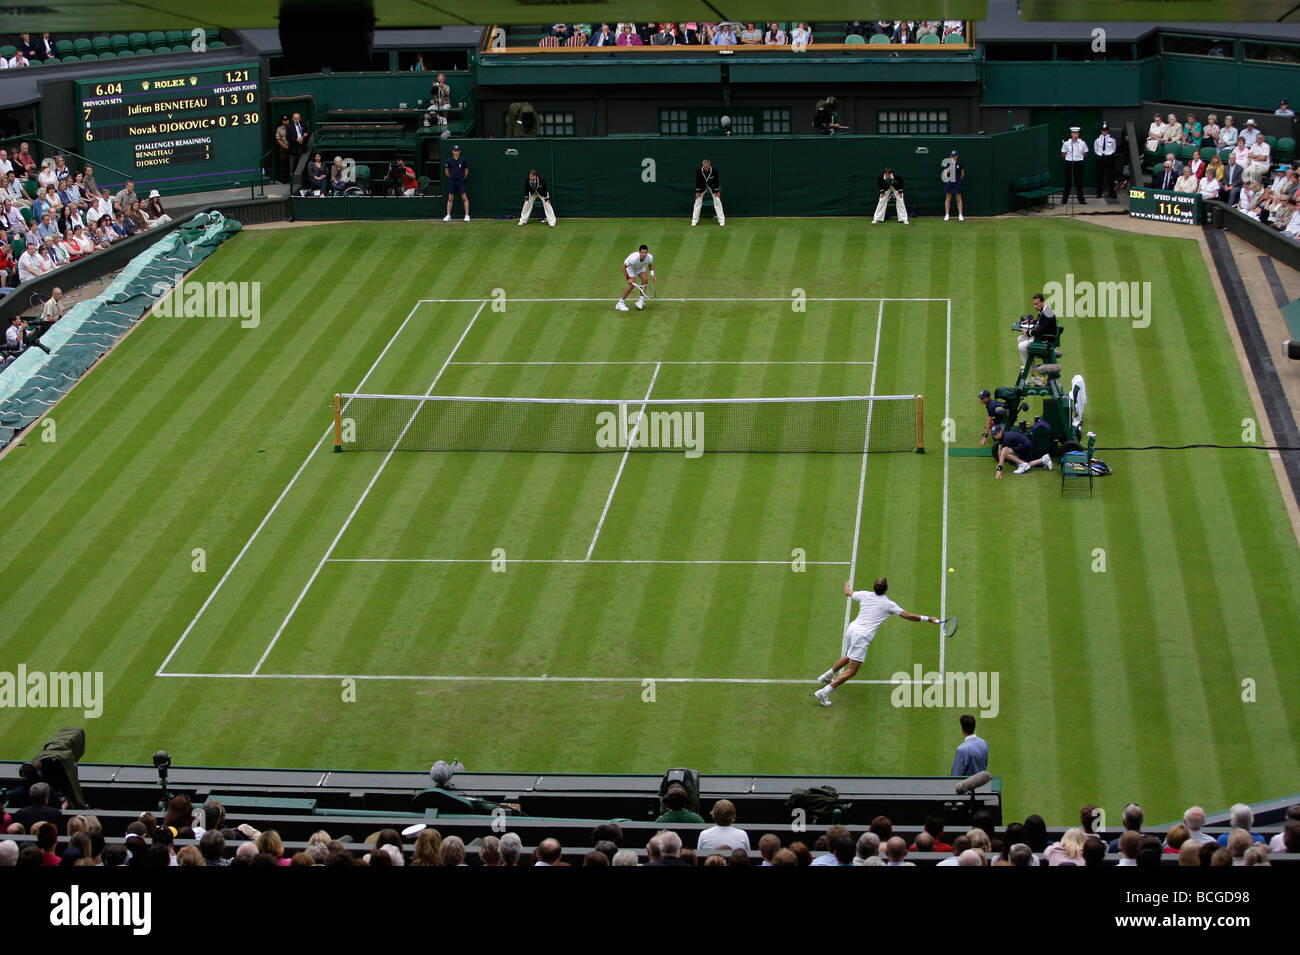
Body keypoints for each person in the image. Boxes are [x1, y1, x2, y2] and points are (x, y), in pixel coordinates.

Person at [813, 577, 942, 706]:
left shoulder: (864, 594)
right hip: (861, 636)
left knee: (848, 655)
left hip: (852, 630)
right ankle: (824, 692)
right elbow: (909, 616)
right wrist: (929, 618)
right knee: (852, 670)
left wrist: (846, 584)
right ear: (886, 590)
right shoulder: (888, 604)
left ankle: (827, 675)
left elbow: (847, 592)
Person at [1018, 293, 1057, 367]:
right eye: (1034, 304)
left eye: (1037, 304)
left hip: (1044, 341)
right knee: (1020, 338)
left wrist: (1027, 332)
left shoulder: (1046, 313)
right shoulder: (1044, 310)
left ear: (1043, 302)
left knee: (1021, 346)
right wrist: (1032, 321)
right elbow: (1040, 323)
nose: (1035, 306)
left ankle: (1032, 369)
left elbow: (1039, 331)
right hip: (1042, 337)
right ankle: (1028, 364)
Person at [615, 244, 654, 312]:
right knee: (632, 284)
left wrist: (652, 274)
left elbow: (650, 265)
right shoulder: (633, 258)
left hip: (640, 267)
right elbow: (623, 267)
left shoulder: (649, 257)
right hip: (630, 268)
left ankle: (640, 301)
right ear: (639, 252)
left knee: (645, 280)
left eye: (646, 252)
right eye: (642, 252)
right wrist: (628, 278)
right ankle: (620, 303)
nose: (644, 254)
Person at [691, 158, 724, 227]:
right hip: (701, 187)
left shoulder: (714, 170)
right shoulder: (698, 170)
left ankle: (721, 221)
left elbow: (716, 181)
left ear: (709, 165)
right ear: (702, 165)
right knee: (697, 203)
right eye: (704, 166)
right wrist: (698, 192)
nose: (705, 167)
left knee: (718, 202)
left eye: (707, 166)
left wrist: (717, 191)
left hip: (712, 187)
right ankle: (694, 221)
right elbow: (697, 181)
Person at [1061, 127, 1088, 204]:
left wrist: (1079, 156)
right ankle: (1064, 199)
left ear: (1078, 134)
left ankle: (1081, 199)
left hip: (1078, 163)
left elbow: (1085, 153)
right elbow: (1063, 154)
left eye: (1076, 133)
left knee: (1079, 182)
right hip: (1069, 163)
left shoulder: (1082, 143)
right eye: (1073, 133)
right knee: (1067, 183)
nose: (1075, 135)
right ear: (1071, 134)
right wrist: (1068, 156)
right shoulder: (1067, 143)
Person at [442, 144, 469, 222]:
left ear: (459, 152)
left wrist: (463, 178)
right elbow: (446, 170)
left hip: (461, 180)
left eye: (457, 151)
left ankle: (467, 215)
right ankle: (448, 215)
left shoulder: (463, 160)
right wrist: (450, 177)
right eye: (454, 151)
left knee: (464, 198)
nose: (456, 152)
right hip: (452, 181)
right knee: (450, 199)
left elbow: (466, 170)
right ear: (452, 152)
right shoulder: (449, 160)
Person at [1094, 122, 1118, 199]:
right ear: (1101, 131)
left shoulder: (1112, 139)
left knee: (1111, 176)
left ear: (1108, 131)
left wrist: (1109, 154)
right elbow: (1096, 149)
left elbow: (1113, 148)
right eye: (1103, 131)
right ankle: (1099, 192)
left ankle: (1112, 192)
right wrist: (1100, 155)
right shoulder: (1097, 140)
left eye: (1106, 131)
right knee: (1099, 176)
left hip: (1109, 158)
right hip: (1101, 158)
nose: (1104, 132)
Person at [943, 149, 965, 221]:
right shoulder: (948, 164)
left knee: (959, 199)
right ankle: (947, 215)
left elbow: (962, 174)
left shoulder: (960, 164)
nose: (953, 157)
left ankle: (960, 215)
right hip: (949, 183)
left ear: (957, 156)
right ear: (950, 156)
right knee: (948, 199)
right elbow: (946, 173)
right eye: (952, 156)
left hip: (957, 183)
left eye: (954, 156)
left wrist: (959, 181)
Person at [288, 113, 310, 183]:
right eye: (295, 119)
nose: (296, 120)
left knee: (301, 164)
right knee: (292, 165)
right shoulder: (289, 126)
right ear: (292, 119)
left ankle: (301, 181)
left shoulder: (304, 124)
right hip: (293, 148)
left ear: (300, 118)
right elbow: (287, 137)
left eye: (297, 118)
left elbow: (307, 132)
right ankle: (292, 182)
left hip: (302, 147)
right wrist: (296, 139)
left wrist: (306, 134)